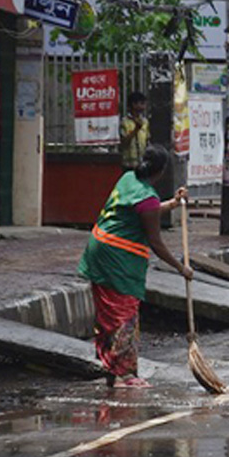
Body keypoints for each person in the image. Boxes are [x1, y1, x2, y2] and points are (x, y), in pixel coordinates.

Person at [77, 145, 192, 388]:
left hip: (100, 247)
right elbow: (156, 243)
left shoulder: (128, 178)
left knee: (109, 314)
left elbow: (144, 210)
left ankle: (113, 368)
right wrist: (181, 269)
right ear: (160, 172)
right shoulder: (147, 197)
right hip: (118, 258)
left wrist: (172, 203)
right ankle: (124, 375)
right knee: (124, 314)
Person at [120, 92, 149, 170]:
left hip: (142, 162)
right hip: (128, 164)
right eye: (141, 103)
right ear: (133, 104)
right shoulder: (125, 122)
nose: (143, 106)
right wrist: (136, 129)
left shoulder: (145, 122)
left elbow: (147, 140)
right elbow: (124, 142)